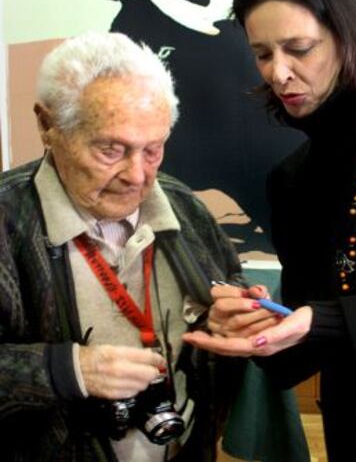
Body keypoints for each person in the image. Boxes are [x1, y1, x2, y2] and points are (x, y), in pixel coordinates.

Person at [183, 0, 356, 462]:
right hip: (355, 432)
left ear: (350, 38)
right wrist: (257, 327)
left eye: (299, 48)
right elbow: (304, 343)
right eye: (263, 54)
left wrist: (321, 321)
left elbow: (327, 320)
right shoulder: (290, 180)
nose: (279, 72)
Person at [0, 31, 245, 462]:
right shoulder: (7, 220)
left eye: (153, 149)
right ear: (47, 125)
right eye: (111, 149)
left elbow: (227, 284)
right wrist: (67, 371)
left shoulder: (184, 206)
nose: (137, 176)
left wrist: (231, 315)